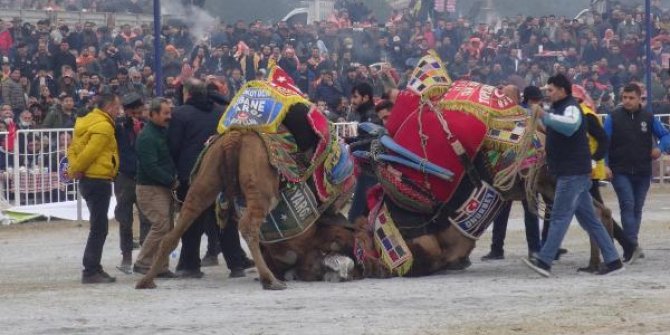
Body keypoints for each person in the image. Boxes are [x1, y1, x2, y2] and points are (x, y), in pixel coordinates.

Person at [523, 74, 623, 277]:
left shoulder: (570, 108)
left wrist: (544, 115)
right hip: (572, 171)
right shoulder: (562, 107)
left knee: (559, 217)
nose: (548, 94)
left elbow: (569, 126)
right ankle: (613, 261)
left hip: (572, 173)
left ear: (562, 90)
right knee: (590, 221)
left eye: (551, 90)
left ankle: (544, 261)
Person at [168, 79, 251, 278]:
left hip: (193, 175)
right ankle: (236, 265)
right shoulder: (221, 113)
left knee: (192, 221)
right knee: (225, 220)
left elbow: (173, 146)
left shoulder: (180, 114)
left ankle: (190, 264)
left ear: (187, 93)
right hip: (223, 175)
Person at [604, 83, 670, 263]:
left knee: (637, 208)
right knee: (627, 204)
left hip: (642, 170)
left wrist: (660, 148)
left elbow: (666, 135)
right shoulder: (613, 117)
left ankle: (632, 244)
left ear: (640, 98)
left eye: (631, 98)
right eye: (624, 97)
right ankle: (631, 246)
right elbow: (604, 142)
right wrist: (605, 165)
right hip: (620, 170)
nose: (627, 101)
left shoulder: (649, 117)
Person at [481, 85, 543, 260]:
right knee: (500, 211)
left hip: (527, 170)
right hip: (504, 171)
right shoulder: (496, 117)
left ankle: (535, 249)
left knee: (531, 209)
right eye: (502, 95)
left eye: (507, 95)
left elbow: (538, 135)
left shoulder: (527, 114)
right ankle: (496, 248)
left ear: (517, 97)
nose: (504, 98)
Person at [67, 93, 120, 284]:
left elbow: (72, 149)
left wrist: (75, 169)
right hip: (98, 180)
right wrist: (76, 169)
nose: (119, 111)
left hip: (89, 180)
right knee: (99, 228)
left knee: (98, 226)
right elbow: (90, 153)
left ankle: (94, 267)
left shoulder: (85, 123)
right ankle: (90, 270)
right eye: (117, 107)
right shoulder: (104, 126)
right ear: (110, 106)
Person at [132, 98, 178, 278]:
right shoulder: (147, 137)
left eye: (169, 113)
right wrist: (170, 180)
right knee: (161, 226)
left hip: (161, 187)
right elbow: (150, 167)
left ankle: (160, 265)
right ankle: (143, 262)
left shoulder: (160, 132)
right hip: (150, 189)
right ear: (153, 115)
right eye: (165, 113)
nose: (169, 117)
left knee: (168, 228)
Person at [114, 92, 151, 273]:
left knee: (147, 218)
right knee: (124, 218)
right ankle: (126, 256)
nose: (136, 114)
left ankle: (144, 257)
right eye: (133, 111)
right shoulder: (119, 126)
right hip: (125, 175)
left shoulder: (147, 125)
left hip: (142, 175)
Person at [347, 82, 381, 222]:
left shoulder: (372, 116)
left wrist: (350, 146)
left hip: (371, 172)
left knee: (358, 215)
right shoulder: (364, 114)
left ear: (365, 98)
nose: (352, 101)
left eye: (355, 97)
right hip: (366, 170)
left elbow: (371, 141)